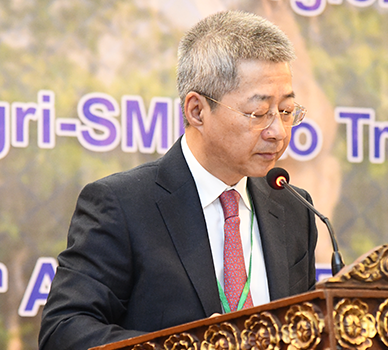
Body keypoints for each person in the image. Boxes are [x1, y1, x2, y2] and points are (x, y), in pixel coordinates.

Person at [38, 10, 318, 350]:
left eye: (287, 111)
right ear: (197, 110)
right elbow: (64, 331)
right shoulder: (122, 205)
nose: (277, 132)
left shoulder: (293, 208)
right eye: (258, 113)